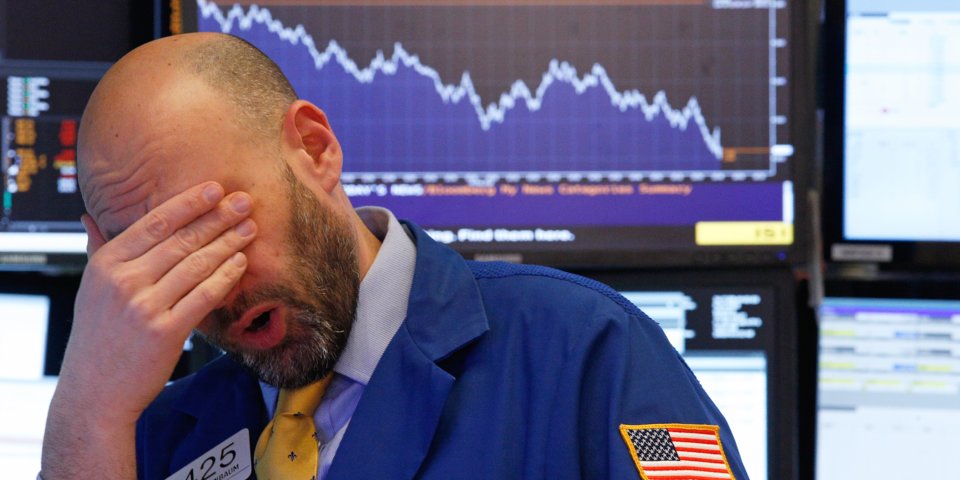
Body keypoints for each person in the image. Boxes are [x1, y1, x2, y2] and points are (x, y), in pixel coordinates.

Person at [40, 32, 749, 480]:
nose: (215, 286)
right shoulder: (151, 439)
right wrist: (85, 414)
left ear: (315, 150)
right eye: (161, 258)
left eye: (222, 223)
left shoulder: (587, 350)